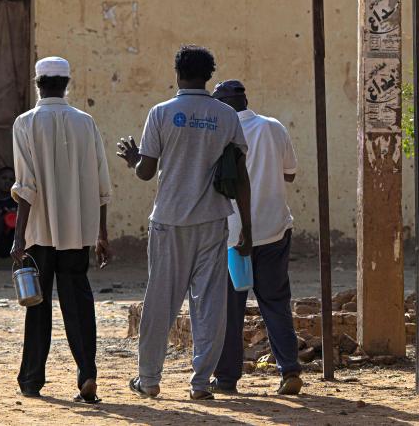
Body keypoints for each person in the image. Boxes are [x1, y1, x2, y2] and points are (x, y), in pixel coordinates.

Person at [117, 45, 252, 401]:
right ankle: (200, 383)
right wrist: (248, 229)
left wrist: (134, 159)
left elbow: (146, 173)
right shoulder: (226, 116)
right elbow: (239, 176)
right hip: (213, 220)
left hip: (169, 220)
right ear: (209, 76)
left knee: (161, 300)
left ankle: (148, 379)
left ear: (177, 73)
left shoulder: (161, 112)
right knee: (209, 305)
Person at [10, 56, 112, 402]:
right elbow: (102, 185)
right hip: (77, 232)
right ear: (66, 84)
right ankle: (87, 371)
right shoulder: (85, 123)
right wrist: (102, 233)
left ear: (38, 84)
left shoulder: (25, 123)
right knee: (79, 303)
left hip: (39, 232)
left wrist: (18, 236)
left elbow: (26, 187)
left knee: (37, 304)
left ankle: (31, 379)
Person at [209, 80, 302, 395]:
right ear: (246, 100)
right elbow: (290, 172)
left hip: (232, 236)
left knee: (229, 309)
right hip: (273, 230)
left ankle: (226, 378)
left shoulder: (217, 133)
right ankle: (289, 369)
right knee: (275, 302)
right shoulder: (272, 127)